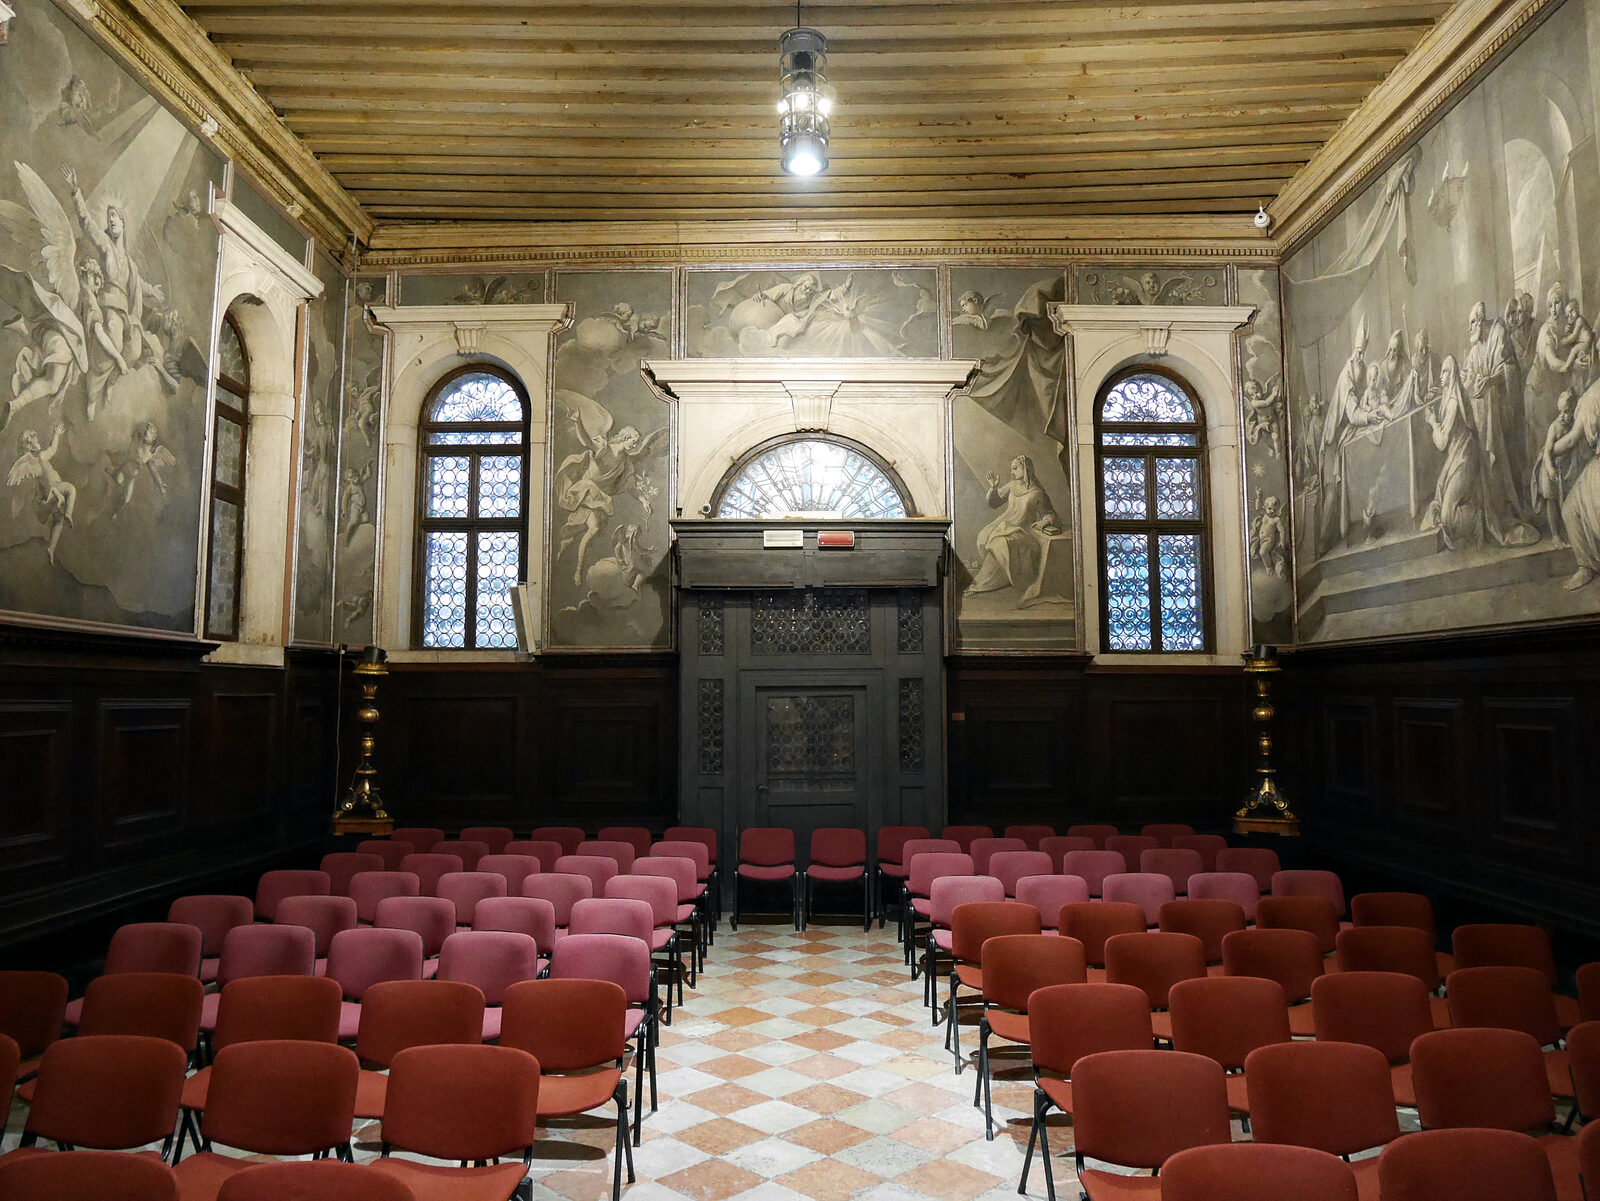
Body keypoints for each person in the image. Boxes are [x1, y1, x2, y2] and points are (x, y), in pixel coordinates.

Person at [1462, 300, 1538, 546]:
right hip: (1485, 418)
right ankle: (1498, 513)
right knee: (1490, 468)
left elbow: (1510, 368)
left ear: (1480, 320)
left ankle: (1515, 510)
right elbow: (1468, 374)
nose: (1470, 328)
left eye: (1472, 323)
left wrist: (1491, 380)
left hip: (1504, 414)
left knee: (1508, 461)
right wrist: (1468, 380)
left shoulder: (1498, 332)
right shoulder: (1476, 347)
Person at [966, 454, 1063, 604]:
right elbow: (994, 503)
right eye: (1012, 468)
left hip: (1022, 530)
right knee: (984, 535)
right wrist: (994, 488)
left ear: (1026, 468)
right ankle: (996, 579)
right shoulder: (1012, 486)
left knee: (999, 543)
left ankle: (981, 584)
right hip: (1004, 524)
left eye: (1015, 468)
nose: (1012, 472)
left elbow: (1050, 514)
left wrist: (1045, 521)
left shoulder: (1037, 492)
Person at [1420, 357, 1484, 551]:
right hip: (1456, 455)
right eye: (1442, 371)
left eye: (1446, 371)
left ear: (1453, 373)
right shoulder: (1449, 395)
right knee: (1440, 498)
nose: (1441, 375)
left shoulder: (1453, 402)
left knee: (1447, 516)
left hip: (1465, 458)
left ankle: (1478, 518)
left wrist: (1433, 423)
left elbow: (1441, 444)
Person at [1554, 380, 1600, 589]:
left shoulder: (1593, 395)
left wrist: (1548, 451)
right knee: (1572, 509)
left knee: (1570, 509)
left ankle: (1586, 567)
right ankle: (1586, 567)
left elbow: (1572, 439)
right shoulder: (1593, 394)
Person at [1530, 390, 1579, 546]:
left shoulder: (1575, 425)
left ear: (1574, 410)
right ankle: (1555, 535)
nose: (1562, 416)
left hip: (1566, 468)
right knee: (1551, 500)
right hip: (1550, 466)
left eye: (1567, 412)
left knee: (1568, 499)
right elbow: (1547, 451)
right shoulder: (1555, 426)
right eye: (1560, 412)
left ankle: (1569, 532)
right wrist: (1550, 468)